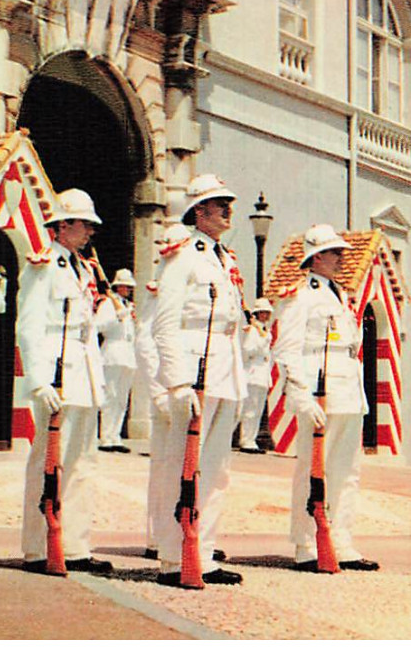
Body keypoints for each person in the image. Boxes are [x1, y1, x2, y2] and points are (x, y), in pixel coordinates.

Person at [150, 173, 248, 587]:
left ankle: (202, 554)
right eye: (218, 203)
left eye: (228, 202)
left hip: (225, 370)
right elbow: (165, 323)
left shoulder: (225, 258)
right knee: (182, 466)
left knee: (215, 469)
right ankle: (175, 558)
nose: (227, 209)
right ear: (199, 211)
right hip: (194, 370)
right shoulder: (183, 255)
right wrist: (176, 382)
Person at [15, 188, 113, 574]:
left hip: (84, 372)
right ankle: (38, 548)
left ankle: (74, 546)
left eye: (91, 224)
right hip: (56, 373)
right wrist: (38, 380)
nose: (90, 230)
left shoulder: (83, 268)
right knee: (48, 461)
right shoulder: (42, 265)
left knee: (82, 462)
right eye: (84, 223)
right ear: (63, 225)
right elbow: (30, 325)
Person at [273, 224, 379, 573]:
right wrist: (300, 395)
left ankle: (340, 540)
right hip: (319, 393)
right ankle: (307, 544)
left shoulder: (341, 295)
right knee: (312, 470)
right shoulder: (300, 295)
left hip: (347, 390)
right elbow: (286, 350)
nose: (341, 258)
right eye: (335, 253)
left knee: (346, 471)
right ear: (316, 256)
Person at [141, 223, 190, 560]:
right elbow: (146, 342)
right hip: (166, 390)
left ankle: (179, 534)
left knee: (184, 465)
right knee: (163, 467)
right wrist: (159, 392)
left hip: (182, 385)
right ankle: (156, 537)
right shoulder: (156, 289)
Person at [95, 269, 138, 453]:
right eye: (125, 286)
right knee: (110, 397)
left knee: (121, 399)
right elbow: (99, 326)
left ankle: (116, 435)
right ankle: (105, 437)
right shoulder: (108, 304)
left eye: (130, 287)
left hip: (127, 354)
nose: (128, 290)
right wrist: (117, 317)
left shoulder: (126, 305)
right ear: (118, 286)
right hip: (112, 351)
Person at [237, 300, 274, 453]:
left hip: (262, 375)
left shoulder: (264, 330)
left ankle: (251, 439)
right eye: (263, 312)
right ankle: (245, 440)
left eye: (267, 312)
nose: (265, 315)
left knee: (257, 411)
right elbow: (247, 351)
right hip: (252, 373)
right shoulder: (253, 330)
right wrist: (262, 341)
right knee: (249, 410)